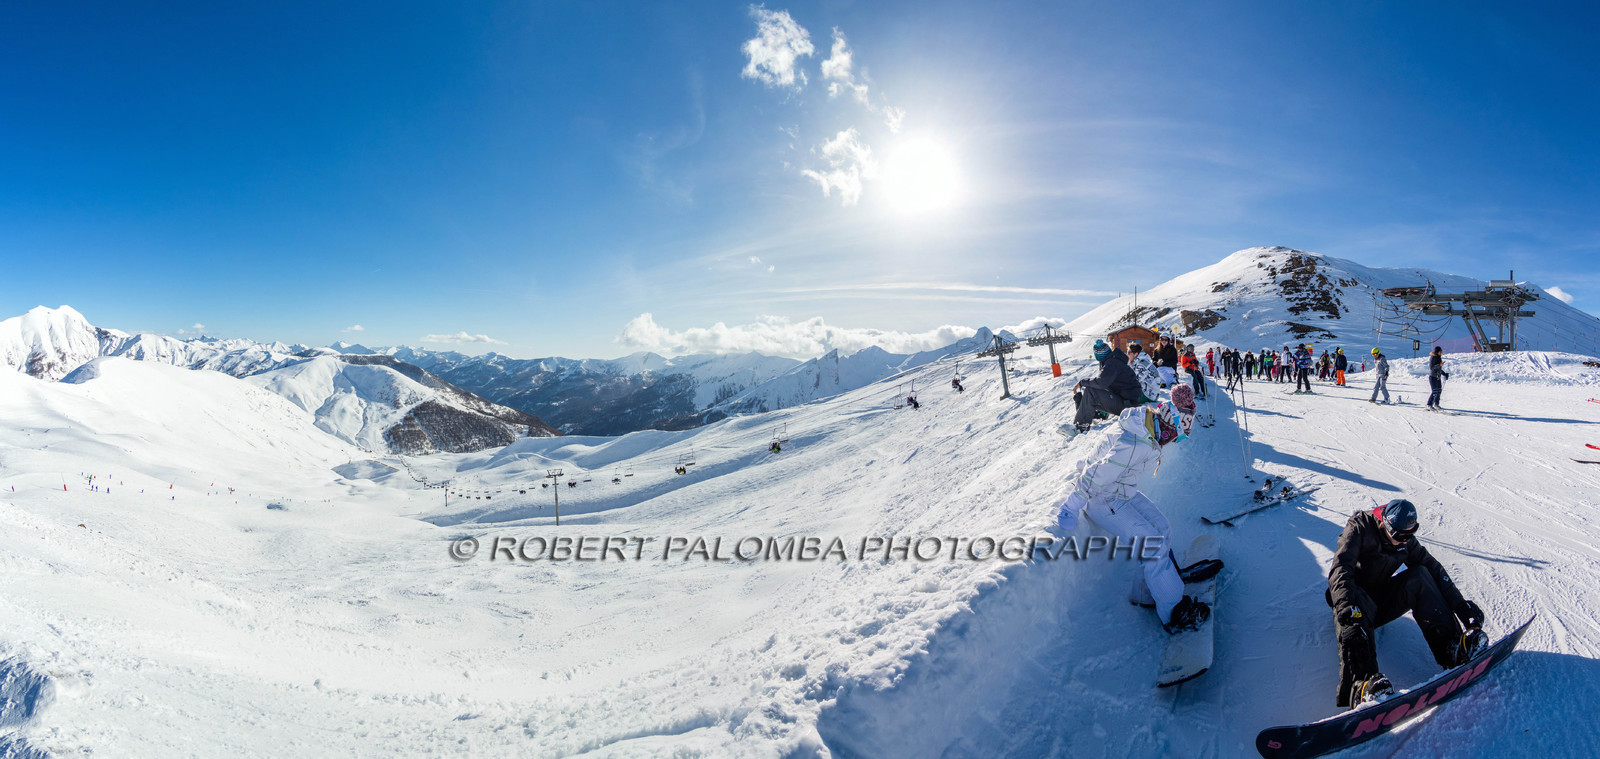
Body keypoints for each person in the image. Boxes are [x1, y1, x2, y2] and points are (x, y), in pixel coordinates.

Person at [1057, 384, 1213, 633]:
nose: (1173, 442)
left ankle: (1148, 592)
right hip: (1103, 499)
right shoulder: (1135, 442)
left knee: (1162, 528)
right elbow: (1096, 475)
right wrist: (1070, 507)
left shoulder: (1148, 426)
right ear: (1167, 425)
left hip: (1121, 491)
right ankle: (1173, 612)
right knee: (1152, 544)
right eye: (1175, 436)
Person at [1327, 499, 1487, 706]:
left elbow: (1433, 568)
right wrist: (1347, 610)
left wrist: (1460, 605)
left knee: (1421, 575)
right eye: (1399, 536)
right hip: (1353, 605)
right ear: (1384, 524)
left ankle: (1452, 647)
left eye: (1408, 535)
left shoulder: (1405, 540)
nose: (1404, 541)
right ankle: (1363, 685)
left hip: (1380, 601)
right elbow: (1340, 570)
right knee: (1356, 606)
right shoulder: (1359, 528)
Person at [1068, 339, 1143, 434]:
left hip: (1128, 405)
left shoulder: (1112, 363)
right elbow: (1104, 383)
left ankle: (1080, 426)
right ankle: (1094, 415)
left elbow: (1101, 382)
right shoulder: (1113, 360)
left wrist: (1083, 382)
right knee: (1092, 390)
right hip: (1126, 401)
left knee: (1091, 391)